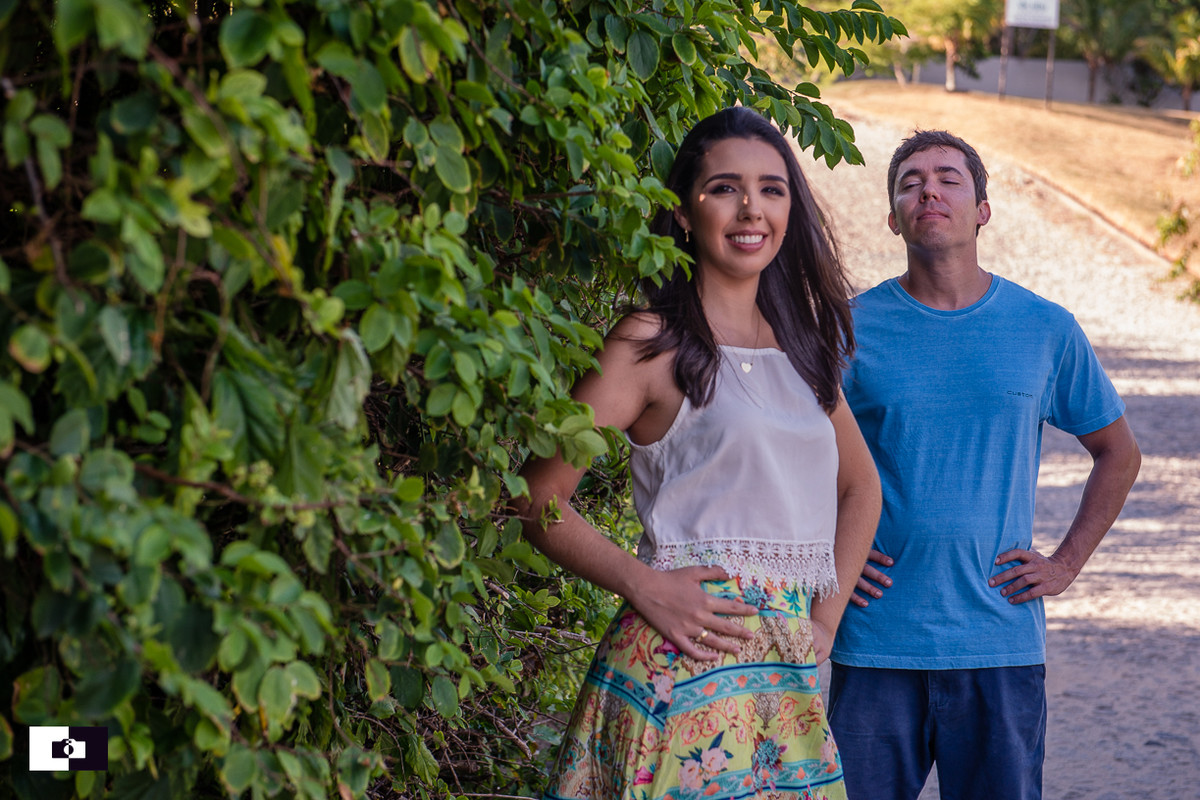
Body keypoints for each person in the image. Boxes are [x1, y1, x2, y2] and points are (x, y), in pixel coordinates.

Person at [515, 107, 882, 800]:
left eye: (772, 188)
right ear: (684, 211)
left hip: (786, 687)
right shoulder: (650, 341)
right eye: (724, 188)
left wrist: (825, 621)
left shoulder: (804, 346)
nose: (752, 208)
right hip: (678, 671)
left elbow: (862, 488)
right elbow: (536, 496)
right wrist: (640, 582)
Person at [827, 129, 1142, 800]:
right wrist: (826, 557)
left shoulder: (1044, 327)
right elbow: (792, 455)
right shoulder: (849, 329)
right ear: (892, 217)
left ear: (982, 210)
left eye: (948, 178)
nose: (929, 190)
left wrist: (1065, 565)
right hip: (877, 638)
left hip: (999, 641)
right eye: (910, 182)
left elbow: (1118, 453)